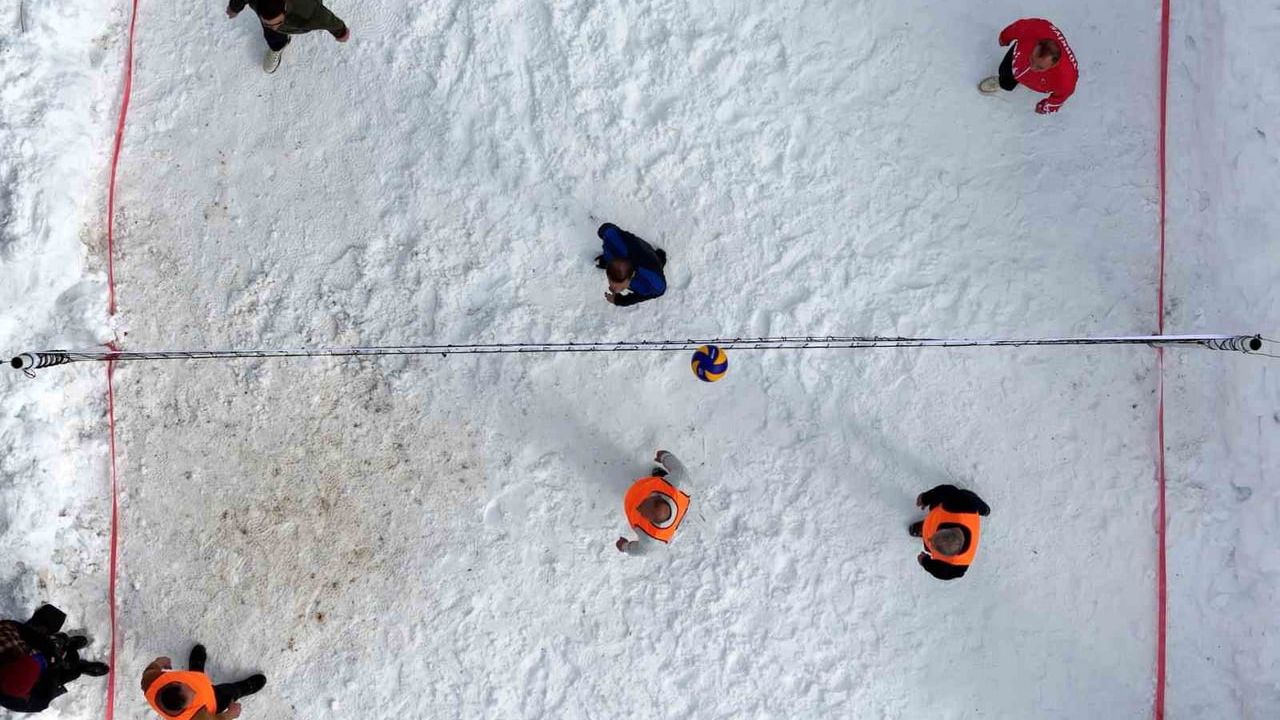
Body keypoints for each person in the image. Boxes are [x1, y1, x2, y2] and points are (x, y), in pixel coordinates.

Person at [0, 604, 109, 714]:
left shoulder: (5, 636)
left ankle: (66, 643)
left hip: (28, 649)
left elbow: (23, 630)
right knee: (66, 674)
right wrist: (53, 671)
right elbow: (42, 701)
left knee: (52, 620)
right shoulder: (15, 700)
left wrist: (49, 649)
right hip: (39, 679)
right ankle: (80, 667)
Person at [978, 18, 1079, 115]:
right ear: (1036, 44)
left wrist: (1044, 107)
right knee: (1005, 76)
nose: (1032, 67)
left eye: (1040, 67)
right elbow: (1015, 28)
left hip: (1041, 81)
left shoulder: (1066, 79)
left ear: (1054, 64)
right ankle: (1004, 83)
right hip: (1018, 57)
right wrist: (1004, 38)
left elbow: (1059, 98)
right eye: (1032, 59)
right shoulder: (1033, 28)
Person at [141, 645, 265, 720]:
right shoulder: (195, 718)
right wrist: (230, 714)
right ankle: (243, 688)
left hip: (196, 679)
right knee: (229, 691)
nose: (194, 692)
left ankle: (197, 668)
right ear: (184, 708)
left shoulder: (151, 683)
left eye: (187, 687)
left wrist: (159, 662)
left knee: (195, 677)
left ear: (175, 683)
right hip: (213, 699)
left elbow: (150, 670)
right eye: (191, 699)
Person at [226, 0, 350, 74]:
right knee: (272, 33)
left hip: (300, 14)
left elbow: (329, 21)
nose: (274, 27)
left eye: (277, 23)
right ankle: (278, 44)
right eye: (267, 23)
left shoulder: (309, 11)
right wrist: (234, 8)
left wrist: (341, 32)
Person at [909, 484, 990, 580]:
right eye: (935, 537)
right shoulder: (960, 508)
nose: (930, 540)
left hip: (937, 520)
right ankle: (926, 527)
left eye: (935, 546)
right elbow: (947, 490)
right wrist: (926, 498)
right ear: (946, 529)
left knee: (929, 543)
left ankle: (925, 529)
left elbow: (942, 573)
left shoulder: (957, 565)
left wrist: (925, 562)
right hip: (956, 505)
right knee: (964, 495)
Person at [617, 451, 690, 555]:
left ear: (653, 521)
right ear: (658, 496)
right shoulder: (679, 486)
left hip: (629, 499)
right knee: (664, 479)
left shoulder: (651, 538)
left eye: (643, 514)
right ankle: (661, 476)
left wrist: (625, 547)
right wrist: (665, 457)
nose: (639, 507)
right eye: (645, 502)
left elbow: (642, 551)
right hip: (646, 485)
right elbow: (679, 469)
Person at [595, 223, 668, 307]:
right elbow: (608, 230)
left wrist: (621, 300)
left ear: (632, 275)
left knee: (656, 264)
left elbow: (656, 293)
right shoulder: (612, 251)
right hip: (634, 248)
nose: (612, 288)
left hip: (648, 257)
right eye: (610, 282)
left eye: (622, 287)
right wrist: (602, 231)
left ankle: (660, 259)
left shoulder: (650, 284)